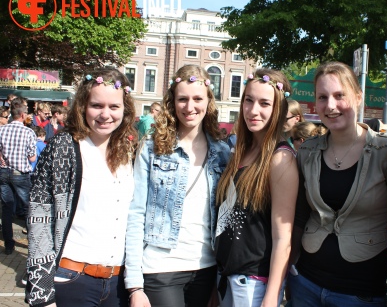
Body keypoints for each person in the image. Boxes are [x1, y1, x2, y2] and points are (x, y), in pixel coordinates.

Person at [289, 61, 387, 307]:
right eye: (322, 97)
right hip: (305, 284)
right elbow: (300, 215)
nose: (330, 106)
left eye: (339, 95)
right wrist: (291, 267)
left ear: (358, 97)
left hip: (359, 292)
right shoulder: (307, 151)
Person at [26, 68, 137, 307]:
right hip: (72, 278)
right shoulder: (63, 147)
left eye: (114, 107)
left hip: (118, 283)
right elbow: (39, 219)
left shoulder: (128, 151)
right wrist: (42, 293)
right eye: (97, 105)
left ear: (125, 110)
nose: (105, 114)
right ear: (83, 106)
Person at [125, 65, 231, 307]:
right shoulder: (152, 148)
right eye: (182, 99)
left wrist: (220, 276)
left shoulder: (223, 152)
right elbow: (136, 213)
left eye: (197, 99)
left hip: (206, 268)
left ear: (208, 101)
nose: (190, 107)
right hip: (161, 269)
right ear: (172, 102)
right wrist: (134, 284)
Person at [215, 69, 299, 307]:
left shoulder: (281, 159)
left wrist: (272, 296)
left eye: (264, 103)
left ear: (278, 109)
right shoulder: (242, 149)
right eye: (249, 100)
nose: (253, 111)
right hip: (227, 275)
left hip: (254, 283)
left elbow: (284, 237)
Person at [0, 98, 37, 255]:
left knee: (7, 208)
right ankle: (33, 242)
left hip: (3, 172)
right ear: (22, 115)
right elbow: (32, 158)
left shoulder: (1, 130)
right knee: (29, 207)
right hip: (20, 174)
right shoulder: (28, 132)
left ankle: (9, 244)